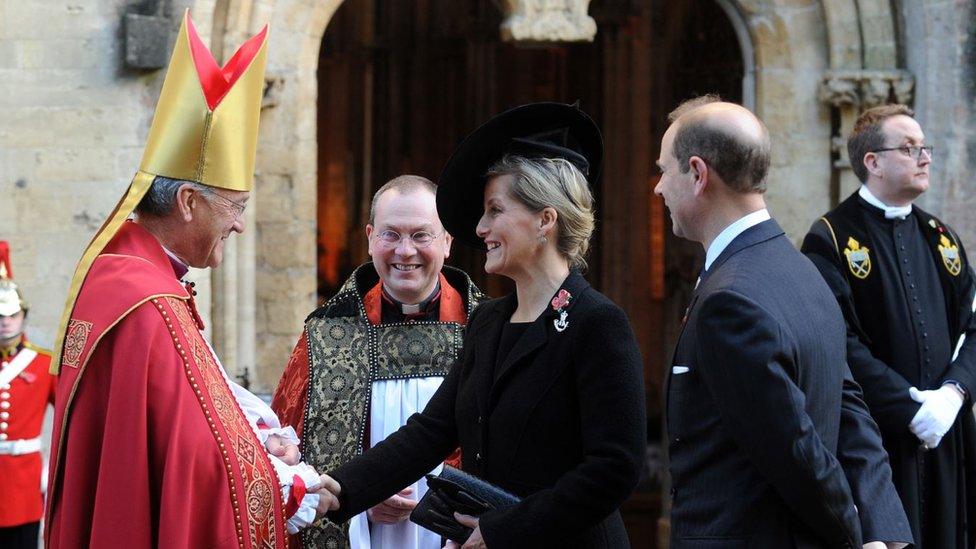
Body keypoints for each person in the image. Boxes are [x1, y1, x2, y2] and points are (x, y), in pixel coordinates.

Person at [44, 12, 337, 548]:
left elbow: (192, 418)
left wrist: (256, 434)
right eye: (236, 207)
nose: (240, 224)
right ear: (187, 201)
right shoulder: (146, 301)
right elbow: (197, 461)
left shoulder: (122, 273)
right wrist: (290, 486)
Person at [317, 102, 647, 548]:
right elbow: (431, 431)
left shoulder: (598, 324)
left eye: (495, 210)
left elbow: (615, 468)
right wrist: (340, 489)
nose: (480, 226)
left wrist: (503, 529)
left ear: (545, 220)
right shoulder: (490, 320)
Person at [657, 97, 912, 547]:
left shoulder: (729, 300)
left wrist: (857, 536)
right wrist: (882, 528)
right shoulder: (803, 270)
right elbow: (851, 410)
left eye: (664, 170)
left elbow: (796, 450)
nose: (658, 188)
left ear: (697, 174)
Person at [271, 174, 486, 548]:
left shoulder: (485, 331)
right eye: (391, 235)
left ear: (447, 242)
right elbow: (288, 458)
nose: (405, 251)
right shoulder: (325, 337)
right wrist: (360, 503)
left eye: (421, 235)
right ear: (370, 238)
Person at [802, 104, 976, 548]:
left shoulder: (942, 237)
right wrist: (909, 408)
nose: (925, 157)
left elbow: (974, 326)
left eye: (925, 148)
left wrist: (953, 395)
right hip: (877, 440)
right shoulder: (831, 238)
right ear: (872, 162)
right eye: (910, 147)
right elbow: (835, 340)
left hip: (947, 437)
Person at [0, 242, 56, 549]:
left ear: (23, 316)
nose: (6, 321)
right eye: (0, 314)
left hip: (23, 484)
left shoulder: (43, 363)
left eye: (12, 313)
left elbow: (70, 415)